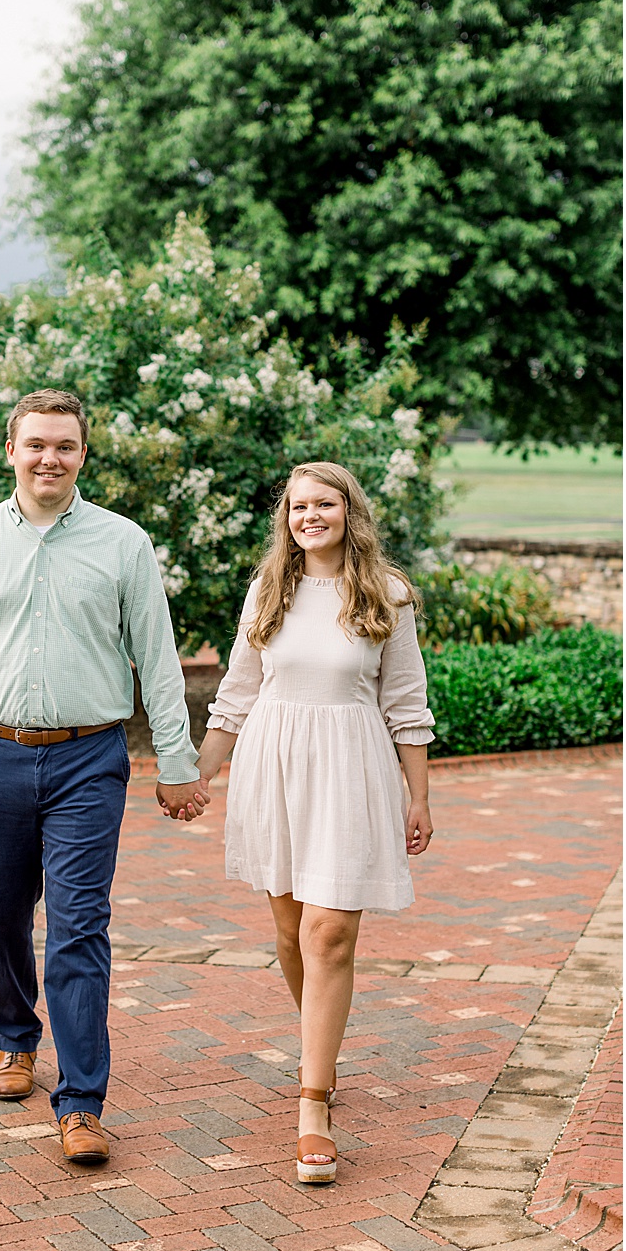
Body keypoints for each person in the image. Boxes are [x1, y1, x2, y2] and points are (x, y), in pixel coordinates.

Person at [0, 387, 206, 1166]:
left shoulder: (123, 544)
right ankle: (14, 1038)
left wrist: (176, 764)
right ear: (11, 450)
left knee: (79, 927)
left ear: (83, 455)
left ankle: (81, 1102)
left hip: (88, 760)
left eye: (65, 446)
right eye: (36, 444)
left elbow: (160, 661)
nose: (50, 458)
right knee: (1, 914)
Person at [190, 461, 434, 1184]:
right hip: (274, 768)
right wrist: (195, 774)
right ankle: (318, 1051)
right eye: (299, 507)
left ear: (347, 511)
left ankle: (313, 1102)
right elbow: (237, 692)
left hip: (352, 768)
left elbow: (408, 704)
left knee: (330, 932)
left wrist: (418, 797)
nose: (310, 516)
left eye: (323, 504)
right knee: (291, 932)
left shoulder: (388, 594)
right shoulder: (270, 589)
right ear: (286, 517)